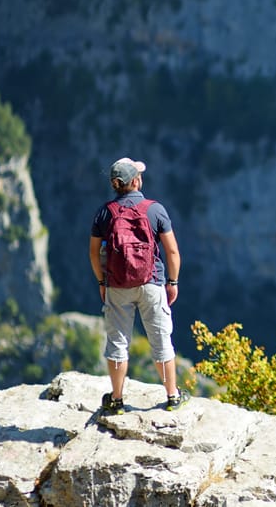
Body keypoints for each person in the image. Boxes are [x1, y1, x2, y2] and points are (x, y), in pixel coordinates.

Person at [89, 157, 187, 413]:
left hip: (117, 285)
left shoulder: (104, 212)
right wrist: (172, 282)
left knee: (118, 343)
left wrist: (102, 282)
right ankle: (172, 396)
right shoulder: (155, 209)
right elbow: (173, 252)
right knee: (161, 339)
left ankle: (117, 400)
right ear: (135, 181)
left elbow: (92, 253)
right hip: (151, 282)